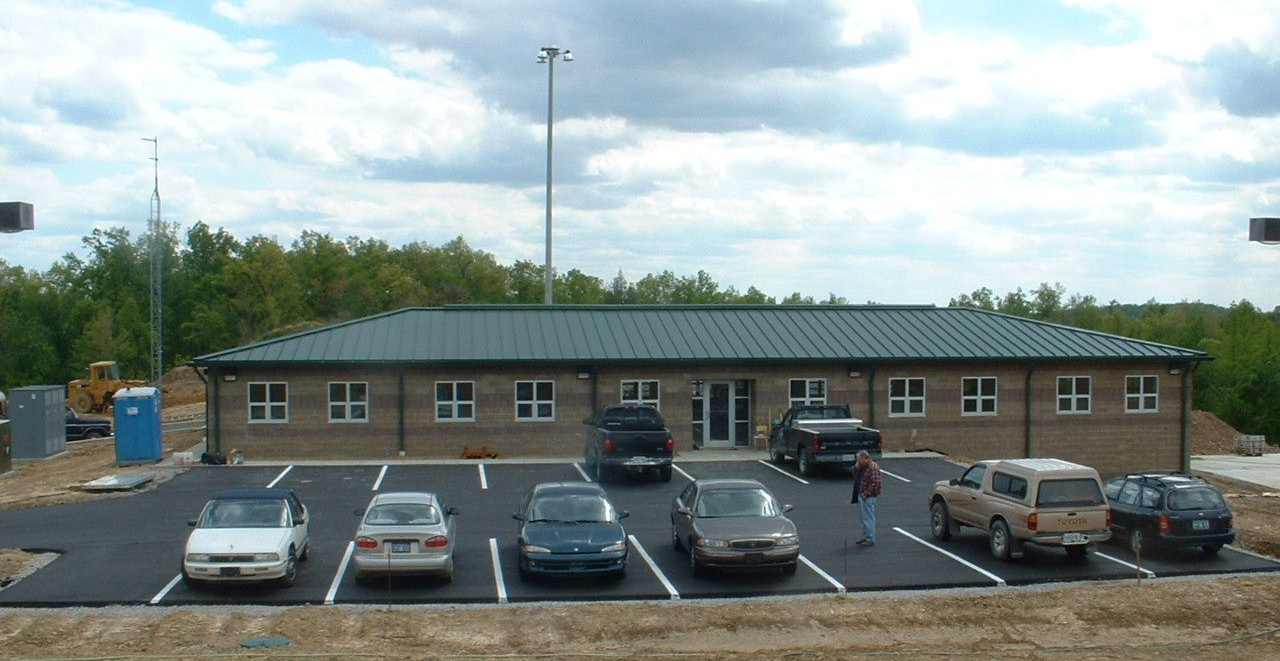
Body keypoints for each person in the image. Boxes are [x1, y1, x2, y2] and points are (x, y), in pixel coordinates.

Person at [850, 450, 882, 546]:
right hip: (862, 495)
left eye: (859, 460)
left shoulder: (873, 467)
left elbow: (875, 482)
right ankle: (866, 536)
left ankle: (870, 538)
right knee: (863, 518)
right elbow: (854, 473)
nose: (858, 461)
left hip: (868, 497)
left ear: (866, 458)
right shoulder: (862, 466)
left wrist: (865, 494)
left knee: (868, 518)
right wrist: (857, 467)